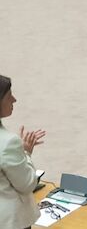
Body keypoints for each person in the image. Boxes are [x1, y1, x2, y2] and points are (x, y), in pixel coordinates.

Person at [0, 75, 46, 229]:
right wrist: (25, 152)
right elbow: (27, 184)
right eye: (9, 96)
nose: (14, 100)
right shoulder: (8, 142)